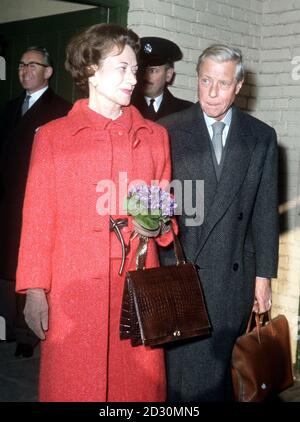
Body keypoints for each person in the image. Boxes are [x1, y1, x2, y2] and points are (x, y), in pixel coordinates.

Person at [15, 23, 174, 402]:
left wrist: (158, 225)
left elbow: (166, 213)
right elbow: (37, 219)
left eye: (135, 69)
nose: (133, 78)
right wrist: (35, 291)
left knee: (137, 388)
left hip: (137, 286)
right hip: (74, 286)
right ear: (90, 71)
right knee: (74, 385)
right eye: (122, 67)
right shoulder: (52, 137)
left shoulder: (154, 137)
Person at [159, 44, 279, 401]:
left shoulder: (260, 136)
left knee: (222, 378)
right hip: (182, 276)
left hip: (234, 277)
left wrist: (263, 278)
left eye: (223, 84)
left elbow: (264, 211)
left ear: (238, 86)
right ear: (196, 79)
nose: (212, 92)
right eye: (205, 81)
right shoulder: (166, 131)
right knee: (182, 380)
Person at [0, 46, 71, 358]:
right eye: (21, 64)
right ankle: (5, 325)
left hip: (38, 202)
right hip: (6, 202)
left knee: (32, 269)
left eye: (33, 65)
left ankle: (28, 336)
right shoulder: (8, 108)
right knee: (6, 269)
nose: (24, 70)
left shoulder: (62, 110)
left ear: (48, 72)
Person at [131, 37, 193, 121]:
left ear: (168, 74)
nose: (145, 77)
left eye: (153, 70)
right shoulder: (125, 106)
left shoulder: (186, 111)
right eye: (142, 70)